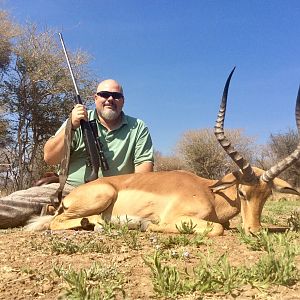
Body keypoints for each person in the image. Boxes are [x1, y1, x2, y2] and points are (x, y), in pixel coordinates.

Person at [0, 79, 154, 228]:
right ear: (95, 98)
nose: (110, 99)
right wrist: (71, 126)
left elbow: (143, 175)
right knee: (15, 205)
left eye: (116, 96)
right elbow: (50, 157)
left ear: (123, 101)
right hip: (70, 190)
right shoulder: (78, 120)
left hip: (116, 196)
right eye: (104, 94)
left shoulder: (137, 127)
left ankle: (65, 214)